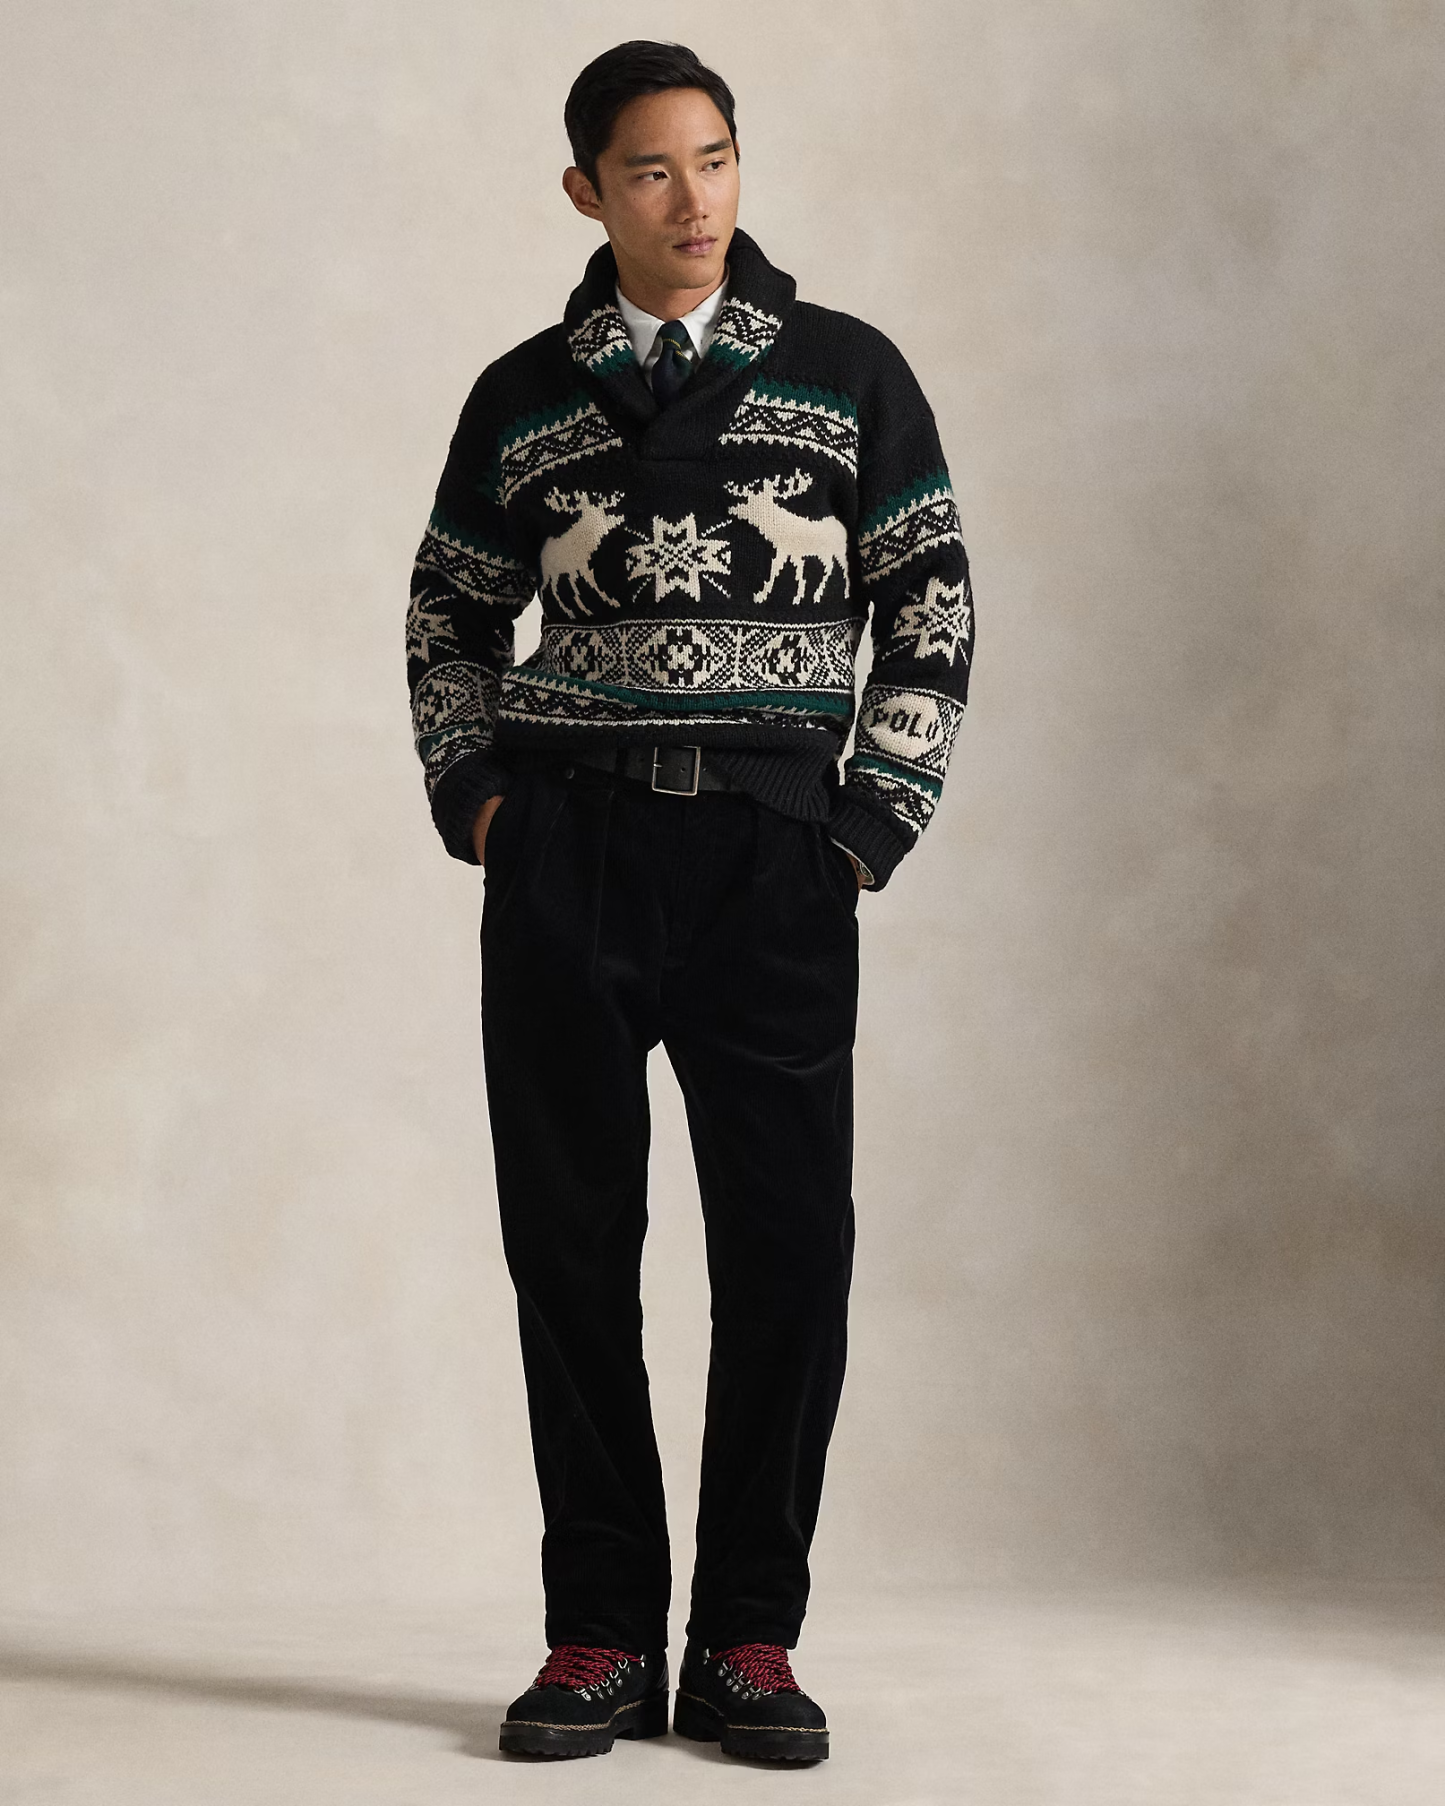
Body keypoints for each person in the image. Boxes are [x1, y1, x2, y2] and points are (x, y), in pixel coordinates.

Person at [406, 37, 974, 1765]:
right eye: (651, 170)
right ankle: (597, 1633)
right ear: (588, 192)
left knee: (790, 1248)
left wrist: (862, 829)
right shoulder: (522, 397)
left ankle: (745, 1637)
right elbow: (448, 615)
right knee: (569, 1245)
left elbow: (933, 607)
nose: (692, 199)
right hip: (569, 859)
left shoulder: (849, 376)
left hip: (770, 864)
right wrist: (485, 806)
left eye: (714, 159)